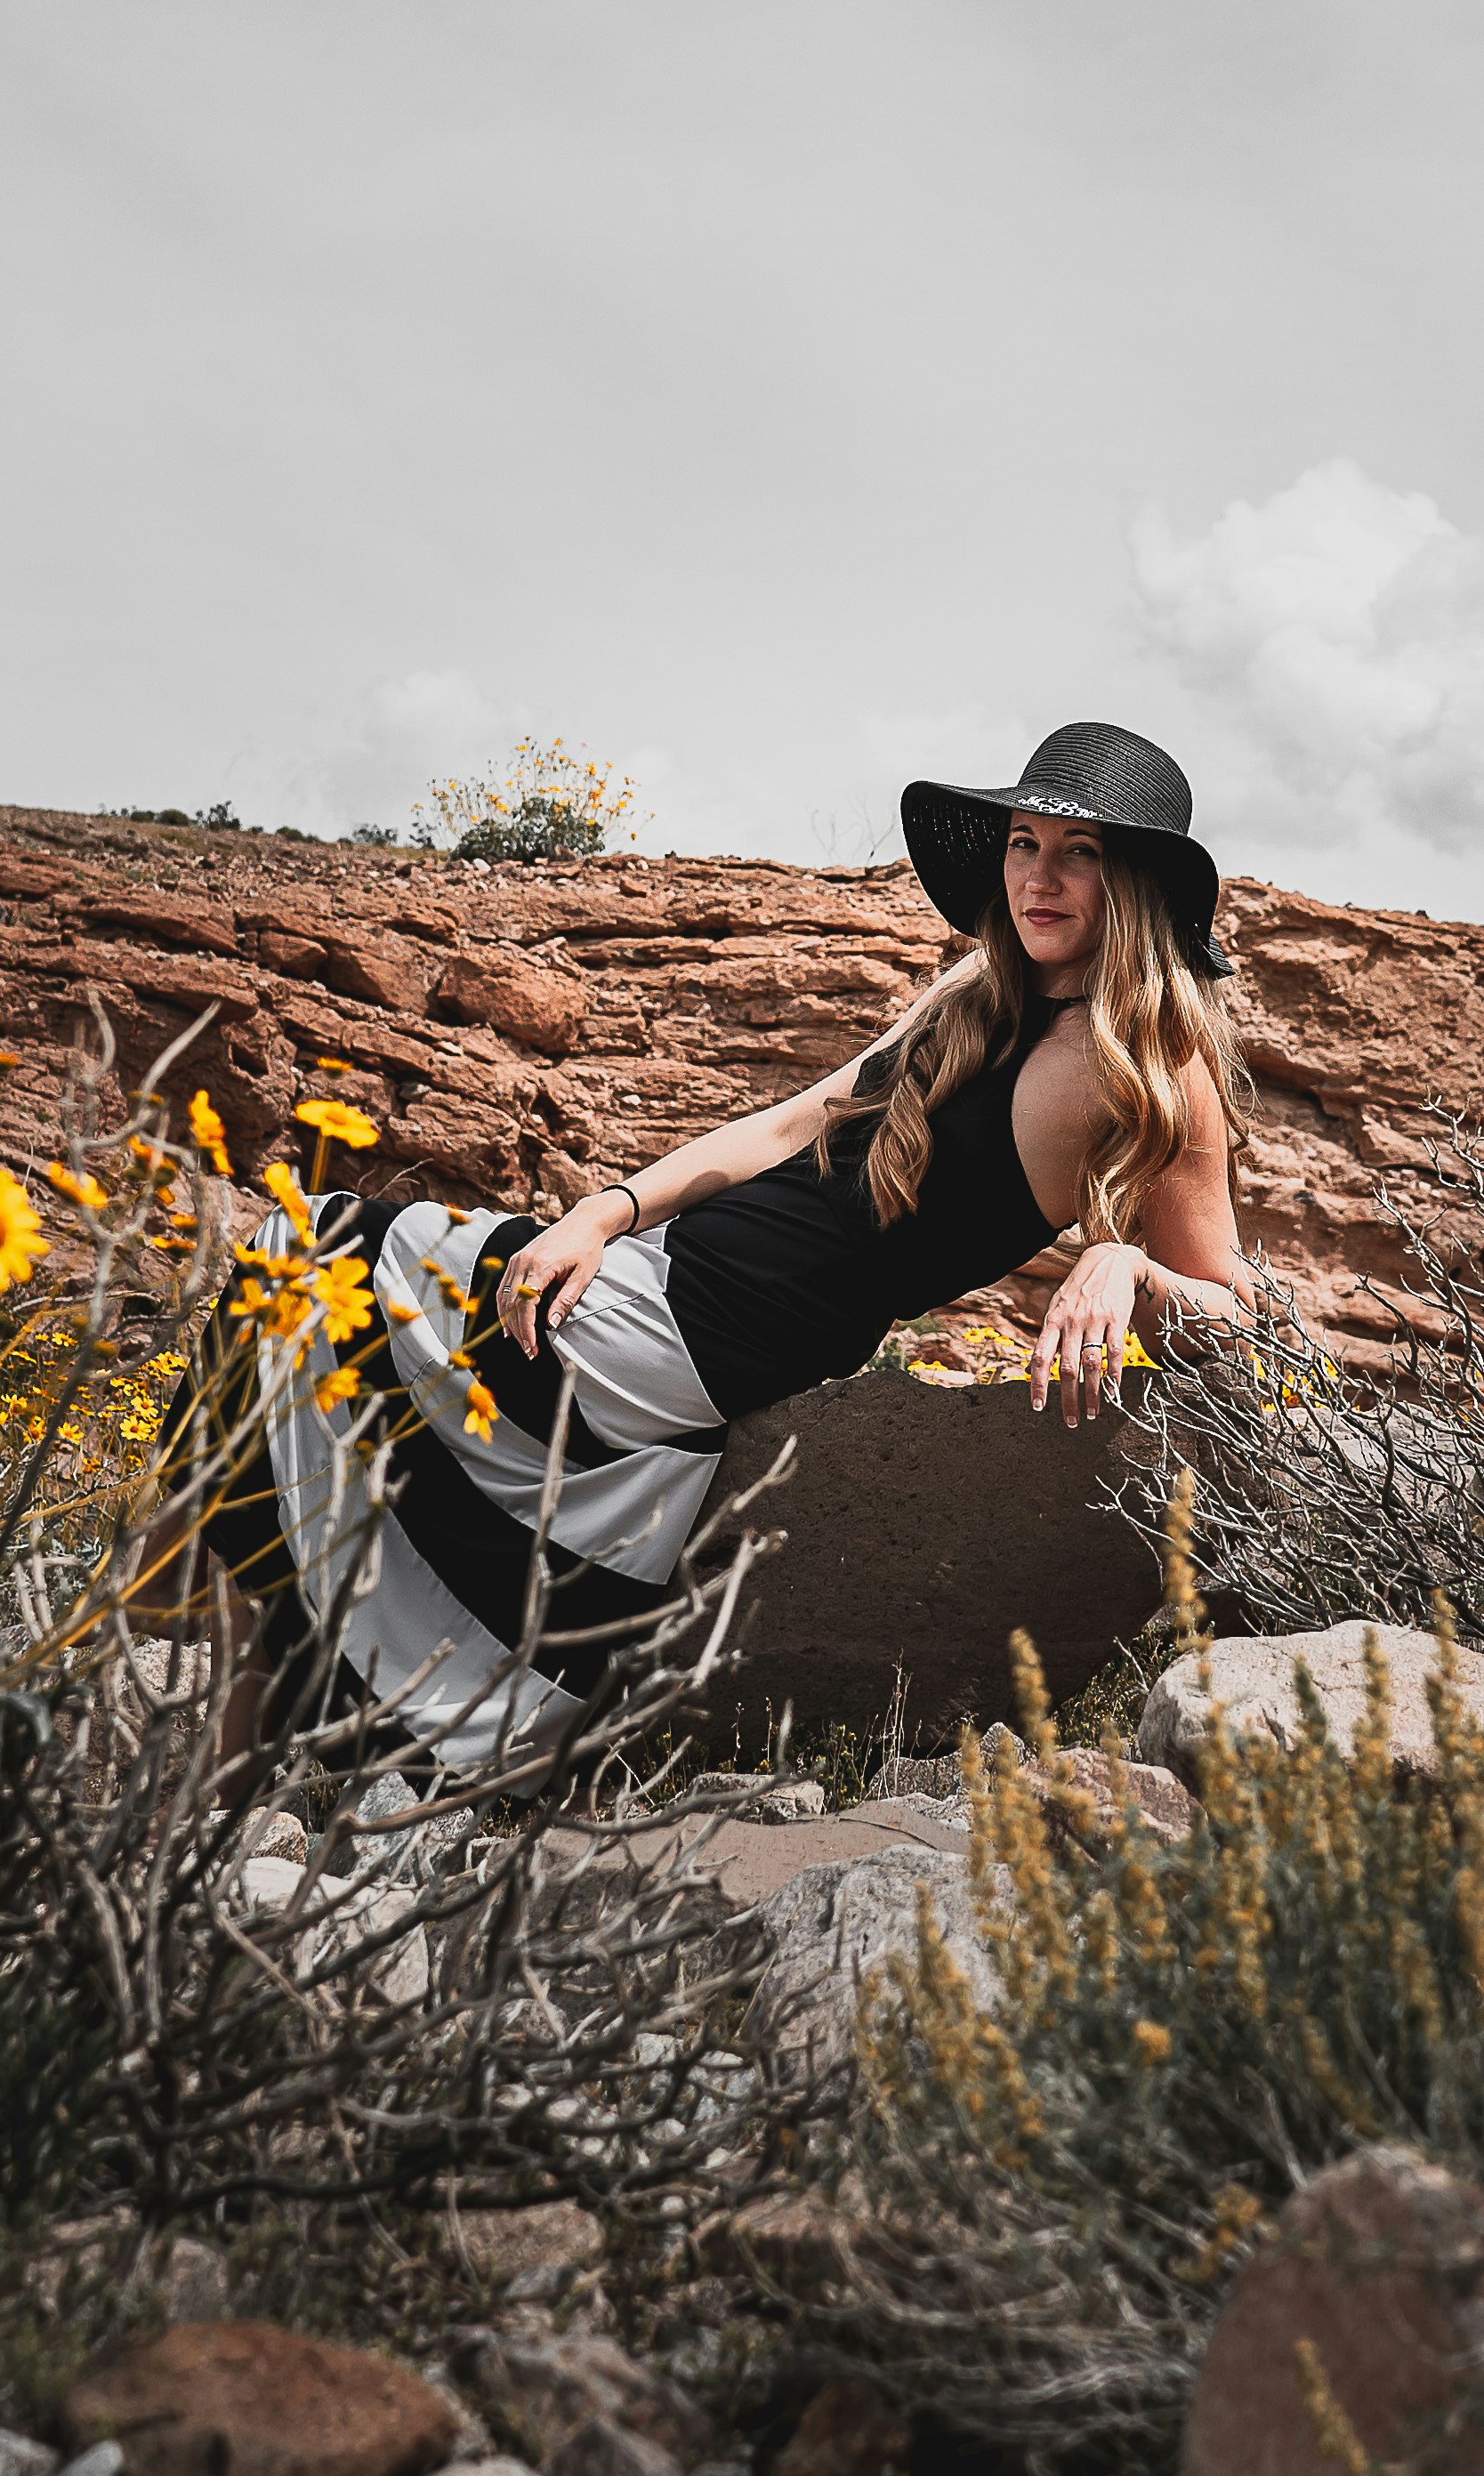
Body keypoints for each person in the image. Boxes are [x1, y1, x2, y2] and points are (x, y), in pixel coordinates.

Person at [178, 721, 1262, 1767]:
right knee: (297, 1301)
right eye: (1026, 843)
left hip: (706, 1338)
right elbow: (791, 1125)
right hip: (657, 1273)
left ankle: (200, 1753)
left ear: (1139, 884)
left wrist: (1123, 1262)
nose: (1040, 876)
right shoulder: (972, 995)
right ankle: (216, 1747)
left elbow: (1230, 1310)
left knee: (311, 1255)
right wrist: (603, 1213)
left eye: (1080, 854)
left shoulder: (1159, 1071)